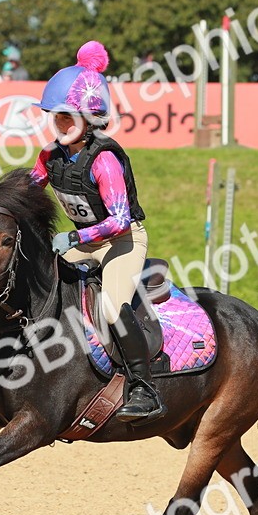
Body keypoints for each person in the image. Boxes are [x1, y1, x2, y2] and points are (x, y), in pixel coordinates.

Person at [29, 40, 162, 424]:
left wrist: (73, 239)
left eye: (68, 116)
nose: (60, 124)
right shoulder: (49, 155)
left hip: (121, 242)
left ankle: (143, 386)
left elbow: (118, 219)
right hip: (86, 243)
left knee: (110, 305)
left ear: (92, 118)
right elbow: (29, 189)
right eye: (56, 116)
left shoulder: (104, 160)